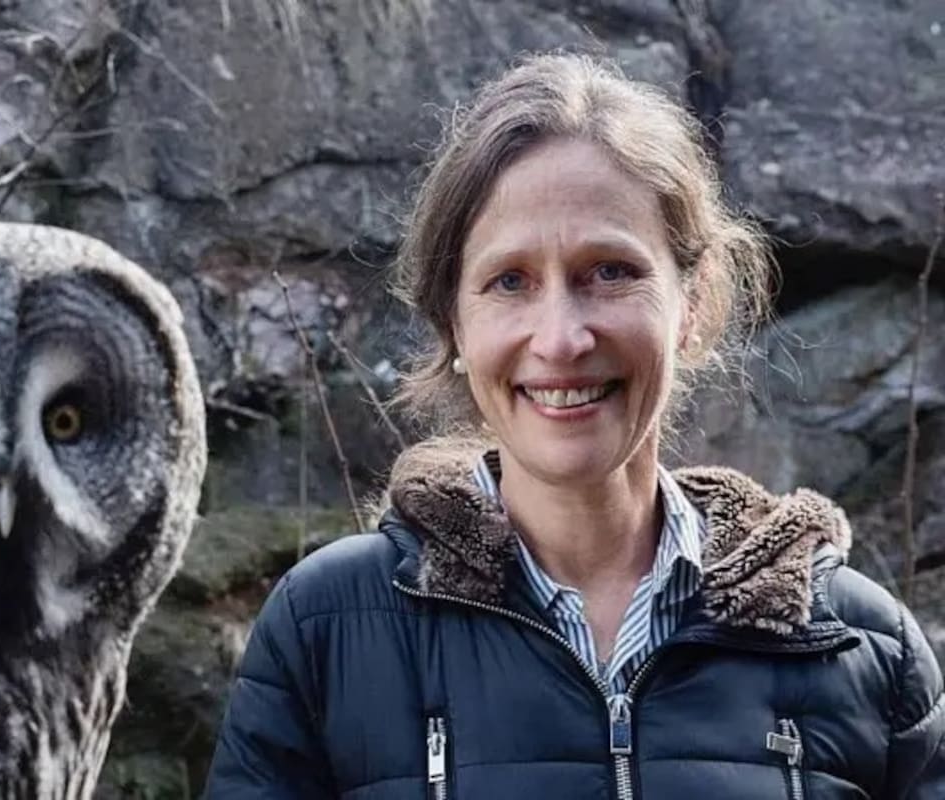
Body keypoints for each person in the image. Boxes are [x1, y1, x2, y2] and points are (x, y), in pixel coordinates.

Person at [202, 53, 945, 799]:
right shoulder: (325, 628)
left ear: (692, 300)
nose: (560, 339)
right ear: (453, 324)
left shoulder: (864, 648)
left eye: (610, 271)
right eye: (510, 282)